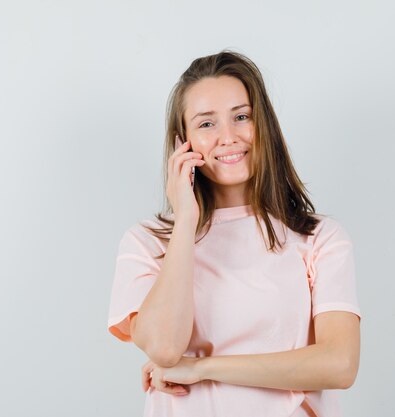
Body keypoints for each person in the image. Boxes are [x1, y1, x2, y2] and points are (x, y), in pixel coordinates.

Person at [107, 49, 361, 417]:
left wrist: (201, 368)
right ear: (184, 142)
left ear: (264, 126)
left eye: (241, 117)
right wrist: (185, 222)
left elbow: (339, 365)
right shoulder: (147, 241)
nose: (228, 137)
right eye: (206, 124)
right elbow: (164, 348)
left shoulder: (319, 236)